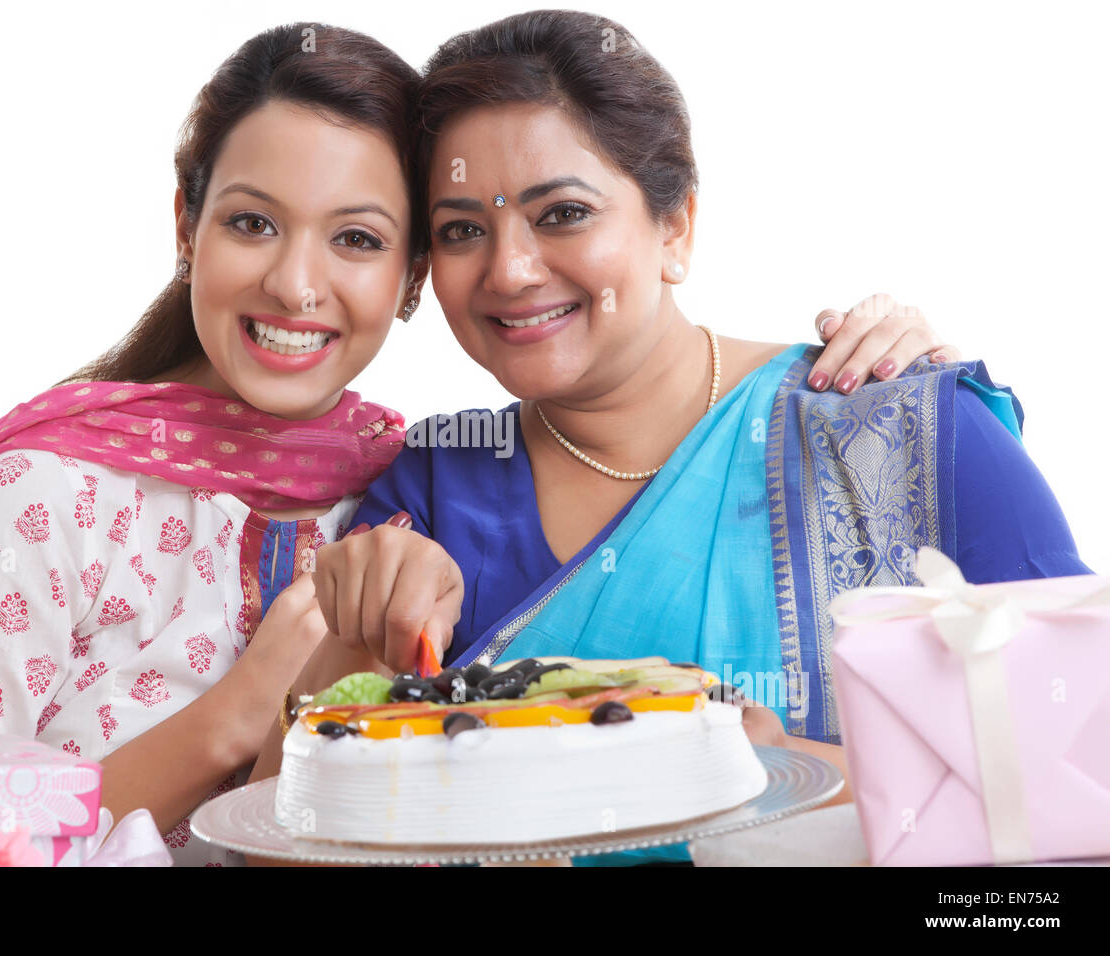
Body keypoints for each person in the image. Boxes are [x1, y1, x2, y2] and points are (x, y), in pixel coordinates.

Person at [0, 19, 954, 866]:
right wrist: (232, 718)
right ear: (184, 224)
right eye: (251, 221)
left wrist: (889, 398)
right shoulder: (37, 504)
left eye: (357, 239)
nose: (297, 282)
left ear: (407, 286)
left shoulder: (393, 489)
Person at [251, 11, 1092, 866]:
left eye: (564, 213)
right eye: (463, 228)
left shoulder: (903, 434)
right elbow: (277, 844)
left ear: (676, 226)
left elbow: (1081, 784)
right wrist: (353, 640)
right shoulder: (433, 487)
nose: (508, 269)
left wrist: (788, 779)